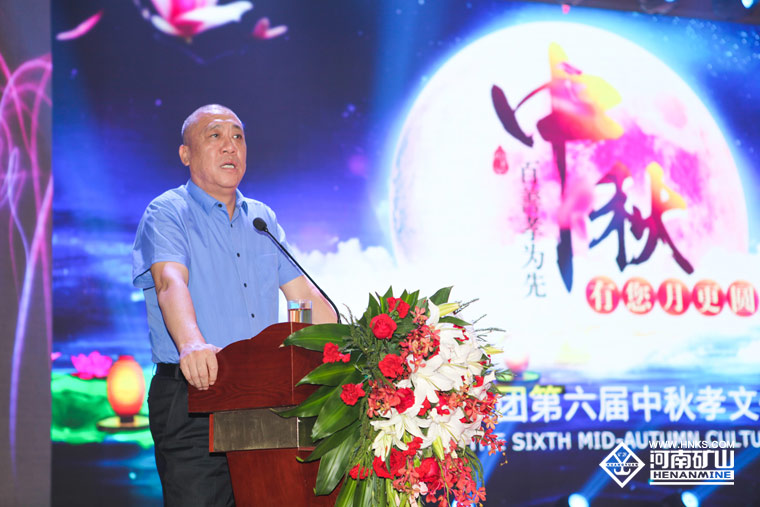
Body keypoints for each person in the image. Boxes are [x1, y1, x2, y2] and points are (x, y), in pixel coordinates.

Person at [132, 104, 336, 506]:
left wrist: (346, 349)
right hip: (195, 395)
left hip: (264, 399)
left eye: (238, 137)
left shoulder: (261, 219)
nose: (231, 146)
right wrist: (192, 343)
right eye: (215, 135)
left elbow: (305, 298)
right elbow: (170, 282)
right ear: (186, 154)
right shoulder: (167, 212)